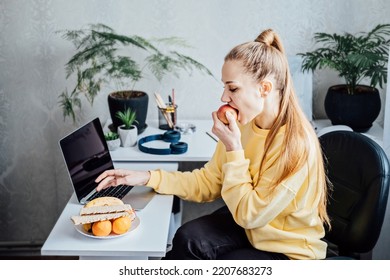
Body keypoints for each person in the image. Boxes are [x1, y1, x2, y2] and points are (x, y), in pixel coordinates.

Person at [95, 29, 330, 260]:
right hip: (252, 230)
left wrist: (234, 149)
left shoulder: (295, 144)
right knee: (187, 238)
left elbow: (249, 214)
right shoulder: (247, 123)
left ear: (264, 89)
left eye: (233, 88)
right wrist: (146, 177)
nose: (224, 98)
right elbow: (208, 182)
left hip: (288, 250)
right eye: (225, 87)